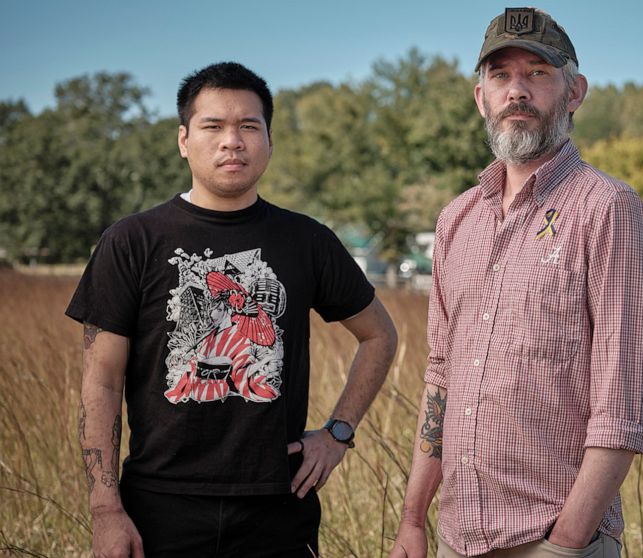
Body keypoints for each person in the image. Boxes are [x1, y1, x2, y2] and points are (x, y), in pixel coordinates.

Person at [67, 61, 397, 557]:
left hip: (277, 505)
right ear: (183, 139)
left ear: (269, 140)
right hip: (159, 505)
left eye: (248, 126)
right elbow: (102, 381)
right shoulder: (132, 241)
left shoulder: (307, 240)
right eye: (213, 126)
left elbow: (380, 336)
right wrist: (105, 509)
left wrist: (338, 434)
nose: (232, 141)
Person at [390, 8, 643, 558]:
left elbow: (624, 404)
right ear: (480, 98)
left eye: (538, 73)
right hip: (454, 541)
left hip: (554, 542)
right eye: (500, 76)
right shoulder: (457, 221)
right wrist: (414, 519)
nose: (517, 90)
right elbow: (441, 377)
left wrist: (564, 543)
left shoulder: (608, 211)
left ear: (575, 91)